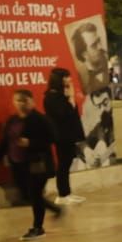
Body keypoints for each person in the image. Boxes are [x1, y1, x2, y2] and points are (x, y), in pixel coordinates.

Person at [0, 90, 60, 240]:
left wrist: (31, 143)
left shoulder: (39, 119)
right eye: (17, 100)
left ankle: (38, 227)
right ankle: (54, 209)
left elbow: (53, 138)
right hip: (19, 164)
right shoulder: (13, 121)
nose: (20, 104)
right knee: (28, 195)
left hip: (37, 164)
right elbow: (4, 142)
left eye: (24, 100)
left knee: (35, 195)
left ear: (31, 102)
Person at [43, 68, 86, 205]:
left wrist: (70, 98)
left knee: (67, 163)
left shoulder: (61, 95)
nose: (69, 79)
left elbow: (73, 113)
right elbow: (63, 114)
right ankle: (62, 194)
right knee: (63, 164)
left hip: (68, 134)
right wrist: (71, 98)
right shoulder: (51, 97)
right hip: (61, 135)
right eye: (66, 77)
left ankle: (66, 193)